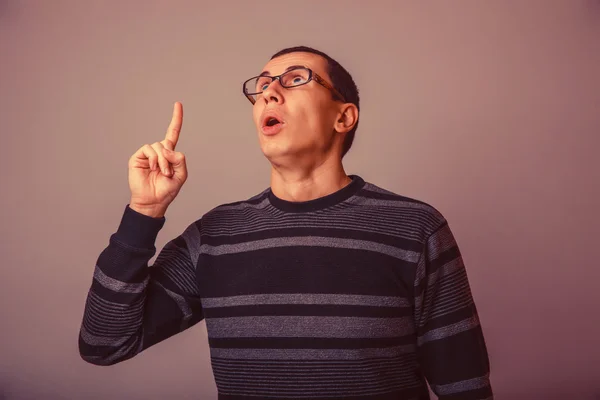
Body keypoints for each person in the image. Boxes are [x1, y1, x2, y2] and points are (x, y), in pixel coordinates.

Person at [79, 45, 493, 400]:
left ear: (344, 117)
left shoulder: (416, 228)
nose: (269, 92)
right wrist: (144, 212)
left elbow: (465, 385)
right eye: (261, 86)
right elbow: (104, 343)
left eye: (295, 79)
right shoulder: (214, 236)